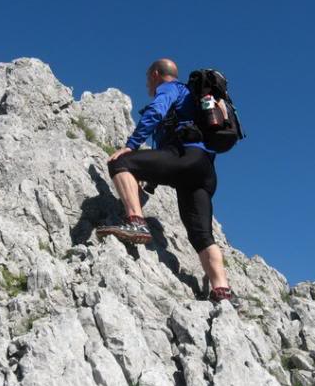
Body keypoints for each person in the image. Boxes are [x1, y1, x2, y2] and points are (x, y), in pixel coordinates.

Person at [96, 58, 240, 307]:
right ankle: (222, 292)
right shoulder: (194, 100)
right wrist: (148, 180)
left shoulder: (172, 88)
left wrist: (130, 146)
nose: (147, 85)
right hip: (203, 171)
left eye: (147, 80)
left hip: (184, 156)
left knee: (120, 163)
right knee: (202, 236)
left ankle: (136, 223)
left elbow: (155, 112)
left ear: (155, 74)